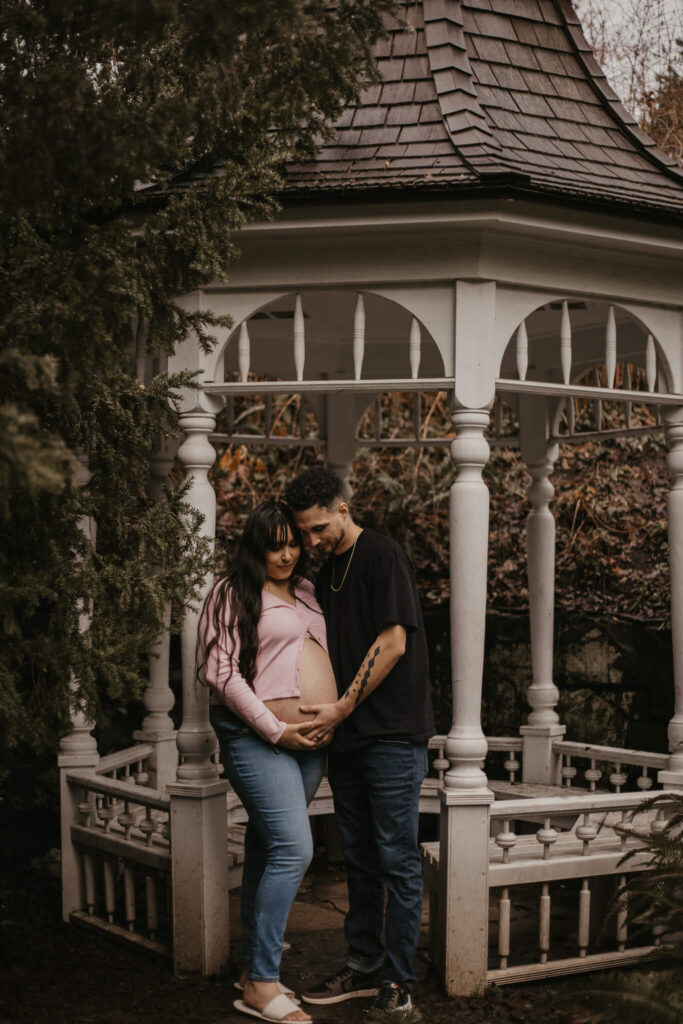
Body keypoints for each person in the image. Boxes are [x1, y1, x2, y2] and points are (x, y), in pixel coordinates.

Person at [284, 467, 435, 1018]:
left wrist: (344, 705)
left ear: (343, 509)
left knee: (397, 860)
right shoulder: (327, 571)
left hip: (392, 735)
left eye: (319, 527)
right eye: (305, 532)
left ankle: (398, 984)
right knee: (362, 861)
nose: (312, 541)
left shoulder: (383, 555)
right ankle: (365, 964)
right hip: (347, 740)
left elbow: (392, 643)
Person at [199, 500, 338, 1024]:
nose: (285, 554)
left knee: (266, 845)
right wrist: (277, 728)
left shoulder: (304, 591)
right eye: (275, 544)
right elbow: (222, 673)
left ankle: (252, 973)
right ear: (256, 545)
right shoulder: (230, 591)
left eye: (293, 543)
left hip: (308, 745)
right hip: (257, 737)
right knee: (293, 847)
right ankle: (261, 980)